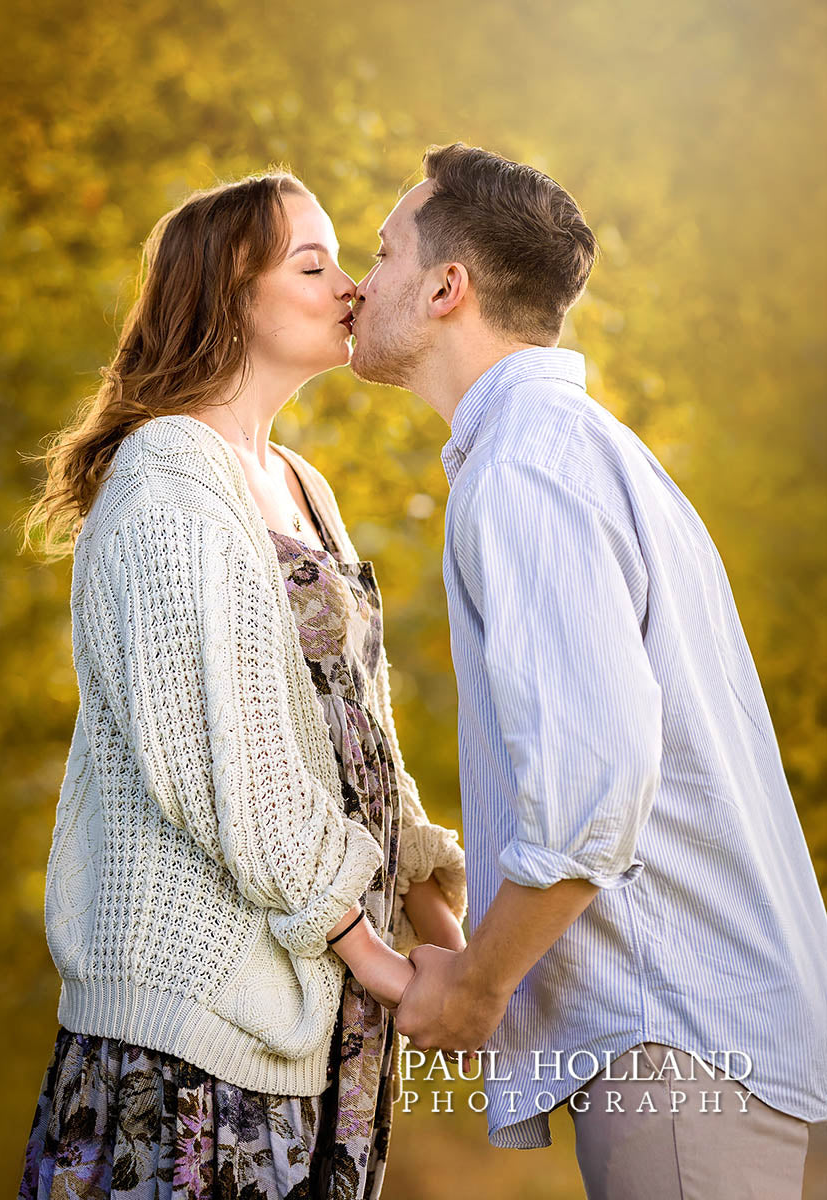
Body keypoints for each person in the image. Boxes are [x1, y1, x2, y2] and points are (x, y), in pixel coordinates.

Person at [349, 141, 827, 1199]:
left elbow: (597, 780)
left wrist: (477, 986)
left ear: (444, 287)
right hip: (711, 1032)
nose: (357, 281)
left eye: (381, 252)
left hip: (676, 1039)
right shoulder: (571, 447)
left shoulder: (526, 465)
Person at [16, 169, 468, 1199]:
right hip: (197, 1047)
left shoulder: (301, 483)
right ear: (231, 295)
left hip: (320, 1025)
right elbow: (243, 782)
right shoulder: (166, 478)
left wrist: (446, 940)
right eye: (315, 265)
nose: (351, 287)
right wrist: (391, 970)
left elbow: (361, 743)